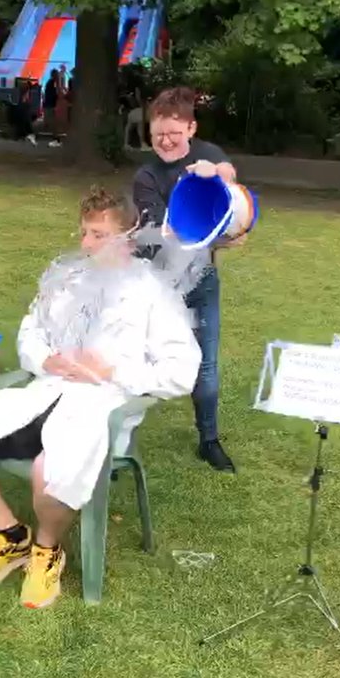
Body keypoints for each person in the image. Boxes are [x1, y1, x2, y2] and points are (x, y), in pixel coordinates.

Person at [0, 187, 201, 609]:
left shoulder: (153, 293)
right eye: (84, 232)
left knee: (50, 471)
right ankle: (11, 536)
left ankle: (47, 551)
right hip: (41, 396)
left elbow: (181, 373)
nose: (86, 244)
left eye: (99, 235)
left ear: (129, 234)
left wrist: (113, 371)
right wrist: (46, 359)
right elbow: (31, 331)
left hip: (99, 409)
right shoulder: (69, 280)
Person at [133, 86, 247, 474]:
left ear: (191, 129)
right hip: (159, 285)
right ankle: (118, 435)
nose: (166, 141)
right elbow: (158, 232)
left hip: (201, 283)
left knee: (206, 365)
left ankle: (209, 440)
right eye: (158, 134)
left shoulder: (207, 154)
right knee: (135, 355)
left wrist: (216, 174)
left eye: (174, 133)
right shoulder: (146, 176)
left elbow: (229, 176)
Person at [8, 78, 38, 145]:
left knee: (23, 123)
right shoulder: (25, 94)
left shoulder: (23, 95)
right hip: (23, 110)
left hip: (22, 109)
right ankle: (24, 135)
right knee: (24, 123)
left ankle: (22, 135)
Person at [43, 69, 61, 144]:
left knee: (52, 121)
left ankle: (55, 135)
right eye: (57, 75)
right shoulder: (52, 83)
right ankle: (55, 136)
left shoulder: (50, 82)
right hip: (50, 104)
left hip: (48, 104)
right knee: (53, 121)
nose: (58, 76)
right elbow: (55, 94)